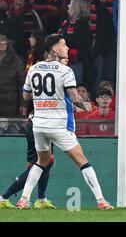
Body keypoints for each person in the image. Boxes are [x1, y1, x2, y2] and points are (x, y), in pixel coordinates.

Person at [17, 34, 114, 210]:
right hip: (58, 125)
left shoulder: (34, 69)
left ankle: (24, 199)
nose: (67, 48)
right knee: (83, 161)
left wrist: (43, 96)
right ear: (55, 49)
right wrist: (87, 106)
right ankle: (101, 201)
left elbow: (25, 95)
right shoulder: (65, 71)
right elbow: (75, 97)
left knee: (41, 161)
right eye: (63, 45)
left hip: (39, 124)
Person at [0, 57, 70, 209]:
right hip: (37, 125)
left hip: (46, 125)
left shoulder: (58, 78)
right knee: (37, 165)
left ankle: (41, 198)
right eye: (63, 59)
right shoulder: (50, 79)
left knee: (48, 161)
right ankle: (4, 197)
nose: (65, 62)